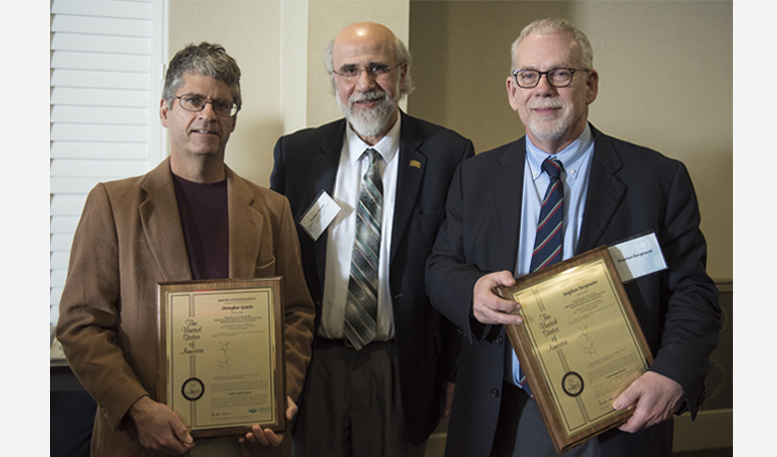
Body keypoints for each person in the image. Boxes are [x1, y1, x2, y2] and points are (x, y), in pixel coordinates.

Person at [425, 18, 721, 457]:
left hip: (617, 416)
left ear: (591, 85)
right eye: (529, 76)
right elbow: (439, 267)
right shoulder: (475, 176)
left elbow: (692, 293)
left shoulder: (657, 179)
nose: (543, 88)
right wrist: (470, 291)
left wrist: (673, 374)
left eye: (561, 74)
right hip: (501, 410)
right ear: (512, 91)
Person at [56, 42, 315, 457]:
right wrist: (138, 408)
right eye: (193, 100)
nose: (208, 115)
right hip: (143, 437)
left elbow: (296, 314)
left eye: (222, 105)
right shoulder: (112, 203)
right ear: (165, 111)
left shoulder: (271, 209)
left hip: (247, 438)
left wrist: (278, 393)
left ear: (232, 121)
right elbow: (80, 325)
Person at [270, 22, 474, 457]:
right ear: (335, 81)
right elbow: (277, 266)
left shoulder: (448, 154)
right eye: (349, 71)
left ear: (402, 74)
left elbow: (460, 268)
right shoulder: (297, 155)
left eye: (377, 68)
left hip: (401, 366)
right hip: (313, 365)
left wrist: (456, 373)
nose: (364, 84)